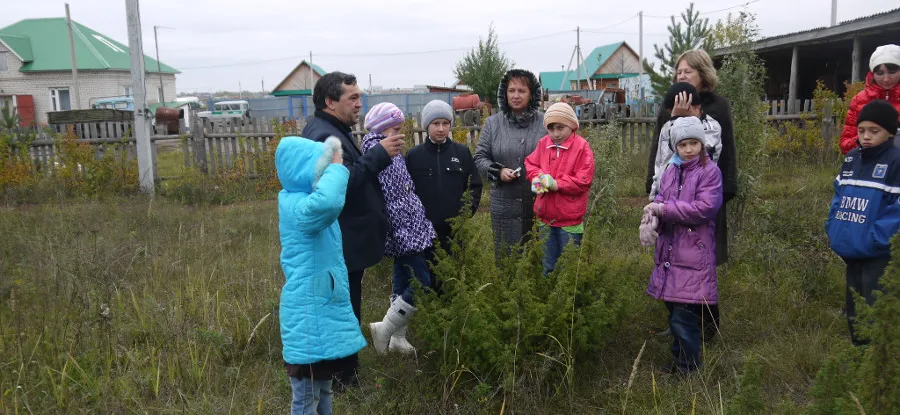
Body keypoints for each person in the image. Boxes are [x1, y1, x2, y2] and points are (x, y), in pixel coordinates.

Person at [300, 71, 405, 387]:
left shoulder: (333, 129)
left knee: (346, 305)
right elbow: (340, 185)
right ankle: (342, 379)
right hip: (339, 241)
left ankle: (345, 371)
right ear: (331, 102)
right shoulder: (323, 136)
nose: (360, 103)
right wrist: (378, 155)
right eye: (353, 97)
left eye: (360, 96)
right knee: (341, 308)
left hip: (346, 240)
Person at [644, 50, 735, 340]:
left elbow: (720, 150)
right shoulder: (668, 106)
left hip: (704, 197)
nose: (683, 75)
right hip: (670, 197)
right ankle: (677, 325)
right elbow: (660, 151)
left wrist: (727, 189)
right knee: (672, 259)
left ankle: (707, 328)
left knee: (700, 263)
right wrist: (653, 185)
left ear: (703, 74)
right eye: (679, 71)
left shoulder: (717, 108)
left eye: (689, 71)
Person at [275, 136, 367, 414]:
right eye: (322, 168)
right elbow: (326, 204)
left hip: (318, 307)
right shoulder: (296, 205)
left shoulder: (301, 199)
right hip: (307, 312)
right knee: (305, 398)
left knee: (324, 388)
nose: (328, 172)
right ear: (302, 171)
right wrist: (338, 166)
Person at [643, 116, 723, 375]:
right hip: (669, 253)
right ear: (675, 147)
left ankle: (689, 367)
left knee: (685, 317)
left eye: (693, 143)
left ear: (701, 143)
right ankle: (678, 359)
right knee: (674, 314)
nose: (688, 150)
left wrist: (664, 209)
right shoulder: (670, 171)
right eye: (683, 145)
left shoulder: (709, 172)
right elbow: (661, 200)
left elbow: (705, 209)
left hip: (693, 256)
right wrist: (651, 219)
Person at [359, 103, 436, 355]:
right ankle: (385, 328)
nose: (400, 134)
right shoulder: (378, 150)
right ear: (382, 129)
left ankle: (397, 337)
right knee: (422, 282)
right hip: (401, 226)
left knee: (403, 278)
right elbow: (387, 195)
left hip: (410, 223)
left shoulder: (391, 150)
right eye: (395, 129)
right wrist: (401, 224)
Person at [826, 100, 900, 346]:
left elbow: (896, 211)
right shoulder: (851, 158)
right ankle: (859, 357)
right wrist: (833, 227)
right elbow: (839, 195)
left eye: (874, 131)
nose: (866, 136)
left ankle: (877, 366)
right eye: (861, 130)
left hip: (878, 254)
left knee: (875, 308)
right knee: (855, 307)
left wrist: (874, 239)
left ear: (890, 132)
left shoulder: (895, 161)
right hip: (851, 249)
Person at [474, 69, 546, 258]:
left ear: (532, 95)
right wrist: (498, 171)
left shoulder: (545, 122)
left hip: (539, 202)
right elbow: (480, 157)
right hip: (504, 205)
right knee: (506, 259)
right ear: (504, 94)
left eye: (521, 91)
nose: (515, 95)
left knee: (537, 258)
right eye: (511, 90)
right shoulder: (492, 124)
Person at [407, 100, 483, 265]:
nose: (441, 129)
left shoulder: (461, 153)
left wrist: (464, 213)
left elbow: (474, 185)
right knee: (427, 279)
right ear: (427, 125)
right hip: (424, 232)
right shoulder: (414, 156)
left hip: (454, 232)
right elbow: (406, 192)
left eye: (445, 123)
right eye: (436, 123)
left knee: (454, 275)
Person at [524, 103, 595, 275]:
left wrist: (557, 184)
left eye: (560, 128)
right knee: (547, 263)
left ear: (571, 125)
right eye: (551, 128)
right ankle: (549, 297)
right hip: (545, 217)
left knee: (568, 267)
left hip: (569, 220)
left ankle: (567, 300)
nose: (555, 133)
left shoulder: (582, 147)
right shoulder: (543, 144)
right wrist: (539, 177)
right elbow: (530, 163)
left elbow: (583, 180)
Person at [649, 82, 722, 200]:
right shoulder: (668, 126)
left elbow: (695, 156)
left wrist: (676, 120)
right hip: (665, 196)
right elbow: (661, 162)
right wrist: (654, 194)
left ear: (697, 106)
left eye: (682, 110)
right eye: (673, 112)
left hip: (691, 199)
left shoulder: (710, 127)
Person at [840, 44, 900, 154]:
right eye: (880, 73)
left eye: (892, 72)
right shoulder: (860, 100)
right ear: (872, 73)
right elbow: (845, 145)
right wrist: (866, 138)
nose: (886, 79)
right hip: (870, 164)